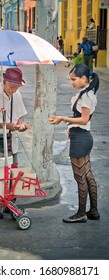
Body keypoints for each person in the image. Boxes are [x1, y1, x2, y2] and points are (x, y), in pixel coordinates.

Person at [48, 63, 100, 223]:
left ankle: (81, 213)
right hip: (84, 136)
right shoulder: (89, 93)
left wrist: (64, 119)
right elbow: (88, 119)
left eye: (74, 79)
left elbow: (84, 119)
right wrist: (72, 125)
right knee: (88, 175)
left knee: (80, 178)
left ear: (84, 78)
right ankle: (93, 211)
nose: (72, 82)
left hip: (80, 139)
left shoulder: (85, 96)